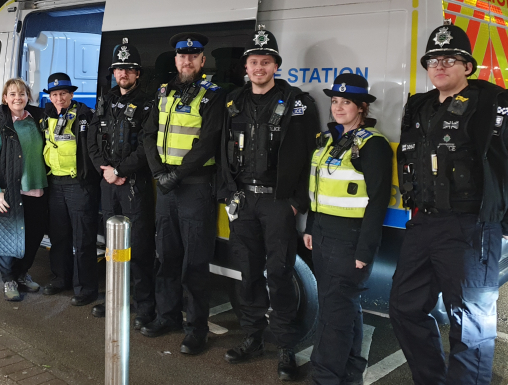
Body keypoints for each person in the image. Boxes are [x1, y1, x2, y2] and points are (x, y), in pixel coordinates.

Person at [390, 21, 508, 385]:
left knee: (470, 326)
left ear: (467, 66)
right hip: (424, 223)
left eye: (450, 59)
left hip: (471, 227)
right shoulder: (419, 105)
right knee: (404, 307)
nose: (440, 65)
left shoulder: (494, 104)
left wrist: (502, 225)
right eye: (434, 60)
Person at [218, 24, 319, 379]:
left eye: (266, 62)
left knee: (279, 274)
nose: (259, 68)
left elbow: (310, 155)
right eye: (253, 62)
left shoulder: (297, 103)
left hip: (278, 203)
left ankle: (287, 347)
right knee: (248, 274)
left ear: (276, 65)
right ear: (246, 66)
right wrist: (228, 193)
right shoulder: (233, 102)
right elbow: (221, 151)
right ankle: (252, 337)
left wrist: (296, 203)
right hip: (243, 201)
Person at [303, 74, 391, 385]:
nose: (338, 107)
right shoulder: (330, 140)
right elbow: (318, 190)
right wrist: (311, 227)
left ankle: (325, 377)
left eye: (346, 102)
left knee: (333, 314)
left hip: (350, 239)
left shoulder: (373, 145)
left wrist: (364, 250)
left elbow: (378, 202)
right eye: (335, 101)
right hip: (324, 234)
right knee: (343, 305)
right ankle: (351, 370)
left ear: (362, 107)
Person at [140, 32, 223, 356]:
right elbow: (148, 134)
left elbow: (207, 142)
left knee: (195, 264)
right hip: (167, 188)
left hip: (196, 189)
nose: (186, 61)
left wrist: (176, 175)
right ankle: (167, 316)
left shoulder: (213, 95)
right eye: (181, 56)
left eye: (193, 56)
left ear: (202, 61)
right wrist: (161, 173)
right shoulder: (164, 93)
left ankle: (196, 330)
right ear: (175, 60)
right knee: (167, 257)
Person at [87, 38, 155, 327]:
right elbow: (91, 137)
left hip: (134, 185)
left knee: (139, 249)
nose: (122, 74)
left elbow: (146, 148)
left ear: (137, 73)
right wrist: (103, 168)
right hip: (108, 183)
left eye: (128, 69)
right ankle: (114, 297)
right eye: (118, 69)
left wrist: (120, 171)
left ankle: (145, 307)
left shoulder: (148, 103)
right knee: (113, 247)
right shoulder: (106, 99)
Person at [0, 78, 47, 302]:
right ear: (5, 98)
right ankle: (9, 279)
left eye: (22, 93)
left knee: (33, 237)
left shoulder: (36, 120)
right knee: (8, 239)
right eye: (13, 94)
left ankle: (22, 273)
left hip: (37, 190)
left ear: (28, 97)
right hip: (11, 192)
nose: (18, 98)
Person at [40, 72, 100, 306]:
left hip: (79, 184)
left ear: (71, 94)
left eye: (63, 93)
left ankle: (85, 288)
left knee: (83, 239)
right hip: (55, 183)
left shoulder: (84, 115)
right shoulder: (45, 116)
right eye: (54, 94)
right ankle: (60, 279)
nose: (59, 98)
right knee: (59, 236)